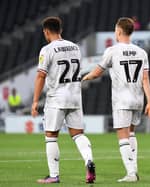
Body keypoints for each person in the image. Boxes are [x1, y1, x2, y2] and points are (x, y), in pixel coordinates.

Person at [83, 17, 150, 182]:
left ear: (119, 31)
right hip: (138, 100)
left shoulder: (112, 51)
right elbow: (145, 79)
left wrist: (84, 78)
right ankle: (134, 168)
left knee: (122, 136)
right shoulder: (141, 52)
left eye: (116, 30)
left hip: (122, 100)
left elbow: (96, 73)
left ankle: (131, 174)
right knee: (131, 134)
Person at [31, 17, 96, 184]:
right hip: (75, 96)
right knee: (78, 134)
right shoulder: (75, 47)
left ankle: (54, 175)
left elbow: (41, 75)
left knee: (51, 136)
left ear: (46, 31)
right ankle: (88, 160)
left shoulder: (47, 49)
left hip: (57, 97)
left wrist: (35, 101)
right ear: (61, 29)